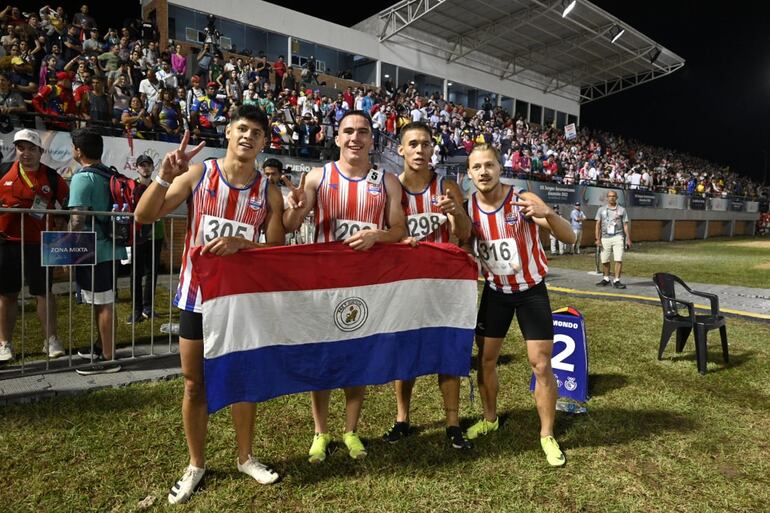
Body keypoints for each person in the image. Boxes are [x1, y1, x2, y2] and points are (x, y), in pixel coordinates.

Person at [134, 105, 285, 505]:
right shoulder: (202, 173)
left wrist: (243, 244)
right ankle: (196, 463)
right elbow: (144, 215)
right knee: (193, 384)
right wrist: (165, 176)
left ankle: (245, 457)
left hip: (241, 304)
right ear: (229, 134)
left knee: (242, 380)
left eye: (256, 131)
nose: (248, 136)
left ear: (264, 141)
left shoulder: (268, 192)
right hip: (197, 300)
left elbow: (276, 248)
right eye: (241, 129)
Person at [283, 110, 406, 463]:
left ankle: (351, 430)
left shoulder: (388, 182)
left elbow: (399, 231)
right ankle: (320, 432)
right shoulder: (318, 177)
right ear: (336, 138)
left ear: (371, 140)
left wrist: (377, 235)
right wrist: (294, 209)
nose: (355, 138)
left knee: (357, 357)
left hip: (366, 285)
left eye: (362, 132)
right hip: (324, 283)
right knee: (322, 359)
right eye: (348, 132)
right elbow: (291, 226)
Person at [464, 143, 575, 467]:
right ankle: (489, 418)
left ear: (500, 168)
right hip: (496, 292)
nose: (484, 172)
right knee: (486, 361)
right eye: (477, 167)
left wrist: (550, 215)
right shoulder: (467, 208)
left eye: (489, 165)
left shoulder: (523, 200)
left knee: (541, 365)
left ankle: (546, 434)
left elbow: (568, 237)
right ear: (470, 174)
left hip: (530, 292)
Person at [381, 122, 473, 450]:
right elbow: (386, 235)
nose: (420, 150)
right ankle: (402, 419)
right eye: (413, 144)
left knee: (447, 353)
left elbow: (464, 235)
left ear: (433, 149)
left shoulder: (447, 186)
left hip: (441, 286)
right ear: (401, 150)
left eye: (426, 144)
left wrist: (456, 211)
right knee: (404, 352)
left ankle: (452, 423)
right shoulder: (390, 189)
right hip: (404, 283)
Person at [0, 129, 69, 362]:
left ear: (41, 151)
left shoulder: (51, 177)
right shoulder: (2, 172)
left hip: (40, 244)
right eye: (21, 148)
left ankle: (51, 340)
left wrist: (62, 219)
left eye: (31, 148)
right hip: (7, 243)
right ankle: (4, 344)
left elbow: (67, 203)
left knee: (44, 293)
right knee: (7, 294)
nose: (26, 153)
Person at [67, 128, 126, 375]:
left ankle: (108, 358)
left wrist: (69, 249)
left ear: (78, 151)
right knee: (101, 301)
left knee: (103, 304)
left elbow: (77, 219)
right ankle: (100, 346)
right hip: (110, 248)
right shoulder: (107, 174)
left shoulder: (82, 178)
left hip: (93, 250)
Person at [125, 155, 164, 324]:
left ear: (152, 167)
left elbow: (163, 211)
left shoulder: (158, 186)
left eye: (148, 165)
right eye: (142, 165)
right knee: (136, 273)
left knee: (152, 273)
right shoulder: (132, 186)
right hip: (138, 236)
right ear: (137, 168)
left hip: (157, 235)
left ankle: (148, 307)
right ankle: (136, 310)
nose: (145, 168)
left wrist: (166, 237)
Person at [595, 190, 631, 289]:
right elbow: (598, 224)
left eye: (613, 196)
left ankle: (617, 280)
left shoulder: (622, 210)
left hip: (618, 236)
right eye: (610, 196)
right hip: (605, 237)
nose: (611, 198)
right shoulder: (601, 210)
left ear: (616, 198)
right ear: (607, 198)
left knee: (618, 259)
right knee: (605, 259)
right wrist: (597, 238)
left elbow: (625, 225)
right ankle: (606, 278)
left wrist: (628, 238)